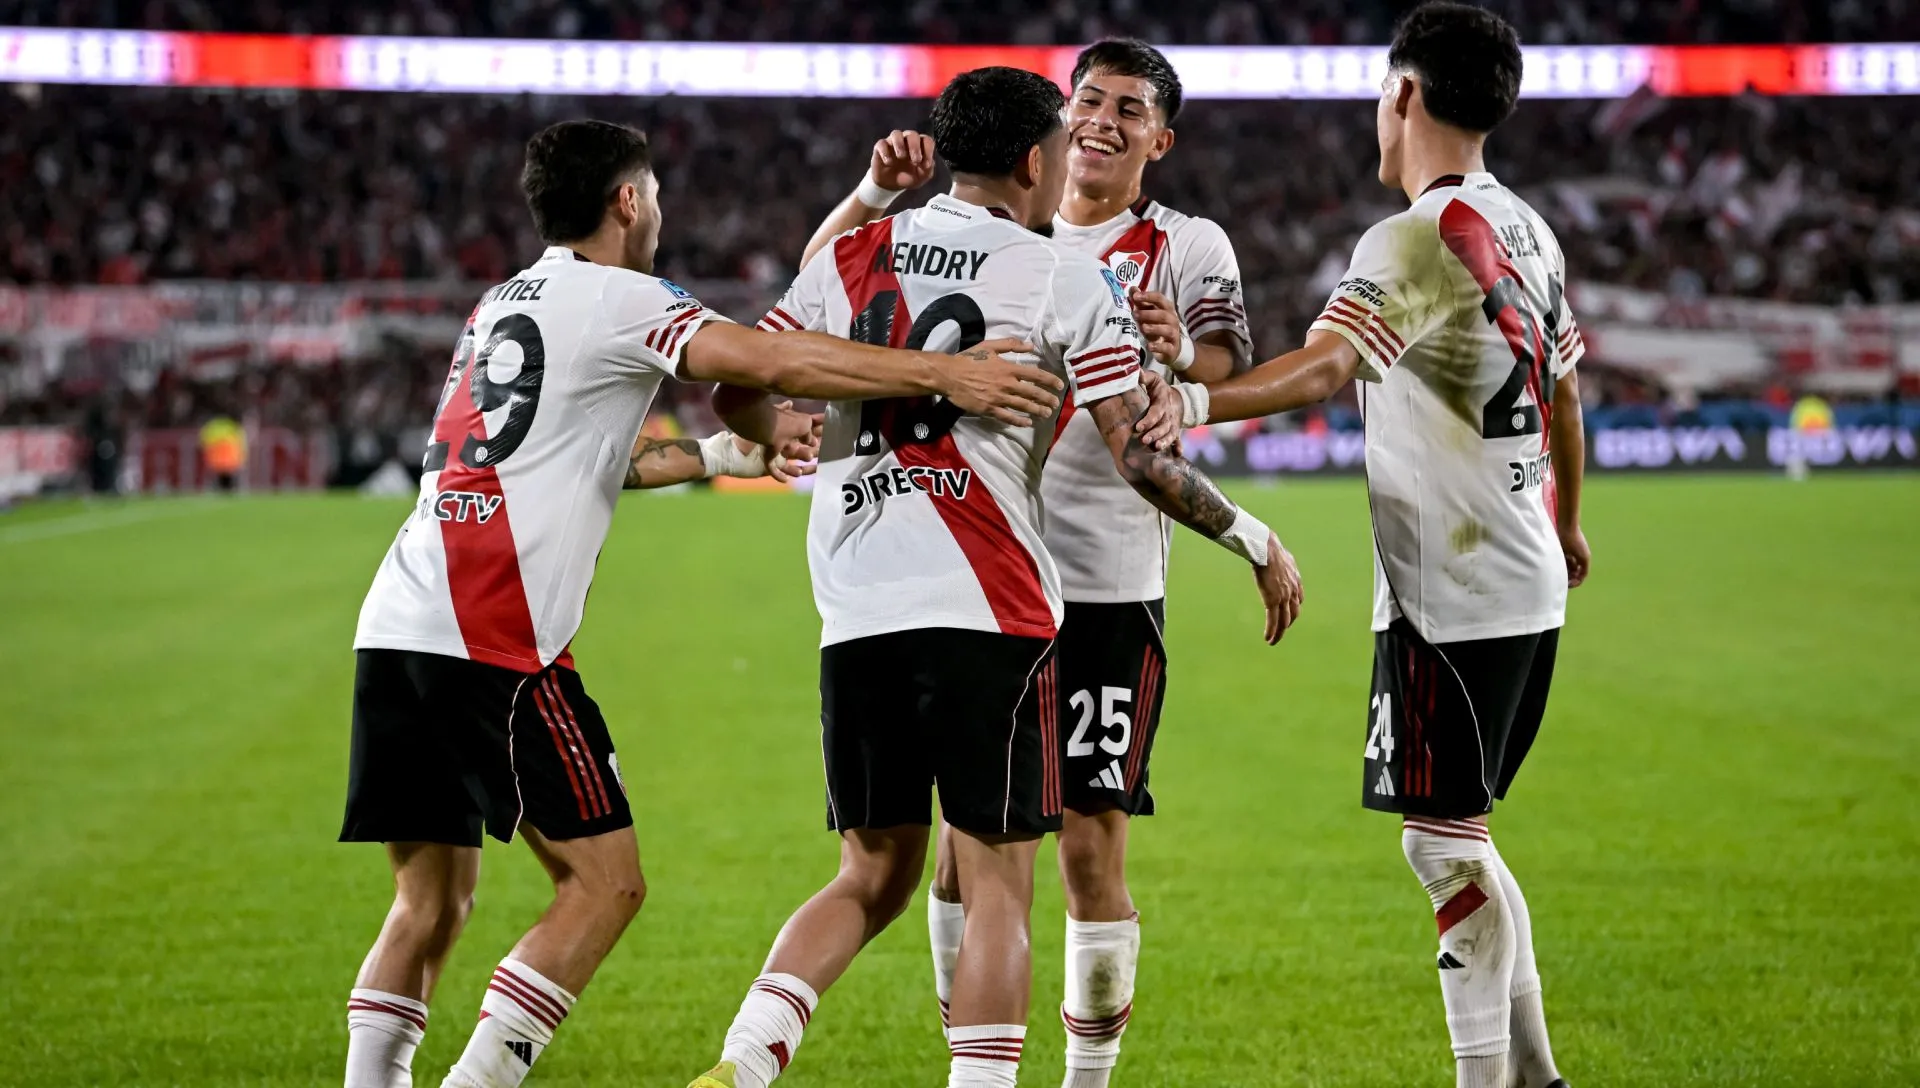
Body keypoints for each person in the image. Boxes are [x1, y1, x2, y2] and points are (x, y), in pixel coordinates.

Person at [338, 118, 1063, 1088]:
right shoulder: (631, 298)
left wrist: (721, 457)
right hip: (496, 635)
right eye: (658, 198)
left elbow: (568, 456)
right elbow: (774, 362)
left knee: (428, 904)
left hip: (398, 616)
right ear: (628, 201)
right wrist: (946, 371)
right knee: (605, 882)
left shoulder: (501, 301)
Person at [688, 66, 1302, 1088]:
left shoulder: (852, 251)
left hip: (856, 601)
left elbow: (736, 387)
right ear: (1034, 158)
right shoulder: (1064, 276)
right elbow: (1139, 456)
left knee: (871, 869)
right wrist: (1250, 537)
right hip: (992, 603)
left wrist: (786, 428)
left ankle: (744, 1060)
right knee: (1001, 884)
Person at [1146, 5, 1585, 1086]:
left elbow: (1323, 365)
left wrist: (1190, 396)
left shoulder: (1412, 237)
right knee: (1463, 833)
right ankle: (1535, 1072)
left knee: (1441, 842)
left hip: (1455, 589)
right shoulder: (1529, 225)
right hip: (1523, 574)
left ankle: (1492, 1076)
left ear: (1402, 95)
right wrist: (1569, 518)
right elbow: (1568, 385)